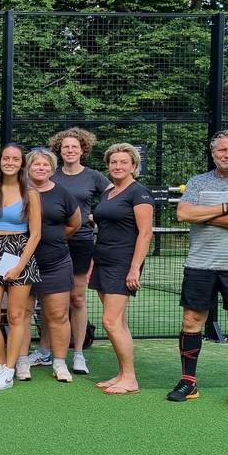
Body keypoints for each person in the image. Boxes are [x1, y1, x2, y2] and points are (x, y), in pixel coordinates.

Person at [168, 130, 228, 410]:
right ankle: (188, 382)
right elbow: (183, 214)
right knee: (191, 321)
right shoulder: (197, 182)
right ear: (213, 153)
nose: (227, 154)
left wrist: (205, 216)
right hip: (200, 265)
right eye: (222, 150)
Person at [88, 143, 154, 396]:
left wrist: (134, 268)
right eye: (113, 162)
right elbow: (104, 225)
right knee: (119, 322)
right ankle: (122, 374)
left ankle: (130, 378)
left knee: (110, 321)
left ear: (134, 166)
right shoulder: (109, 192)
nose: (118, 166)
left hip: (123, 263)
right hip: (103, 259)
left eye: (124, 162)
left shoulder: (139, 193)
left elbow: (145, 233)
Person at [0, 144, 41, 390]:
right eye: (6, 158)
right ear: (0, 160)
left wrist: (18, 267)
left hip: (20, 253)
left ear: (22, 163)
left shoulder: (31, 193)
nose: (10, 162)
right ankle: (1, 365)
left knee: (16, 316)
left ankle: (10, 369)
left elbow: (35, 234)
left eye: (15, 159)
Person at [50, 127, 110, 375]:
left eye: (74, 146)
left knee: (77, 298)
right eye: (65, 147)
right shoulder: (51, 174)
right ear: (59, 150)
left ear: (83, 149)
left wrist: (97, 215)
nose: (70, 150)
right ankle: (50, 353)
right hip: (54, 242)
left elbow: (115, 197)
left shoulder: (94, 177)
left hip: (82, 242)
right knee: (53, 300)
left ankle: (78, 353)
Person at [24, 149, 81, 382]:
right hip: (22, 264)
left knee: (58, 314)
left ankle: (59, 362)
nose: (41, 168)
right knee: (22, 315)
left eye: (45, 164)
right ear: (28, 167)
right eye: (36, 164)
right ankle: (21, 362)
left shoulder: (62, 193)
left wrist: (53, 239)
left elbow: (74, 223)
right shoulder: (18, 191)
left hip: (56, 262)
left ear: (52, 168)